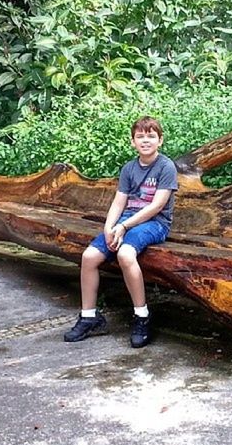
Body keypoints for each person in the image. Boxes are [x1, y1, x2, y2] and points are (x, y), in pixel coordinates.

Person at [64, 116, 178, 348]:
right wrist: (109, 228)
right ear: (133, 141)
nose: (145, 141)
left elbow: (156, 206)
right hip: (126, 220)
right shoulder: (129, 168)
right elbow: (119, 203)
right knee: (89, 257)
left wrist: (123, 227)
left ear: (160, 140)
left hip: (155, 223)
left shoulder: (166, 167)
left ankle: (142, 315)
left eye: (151, 136)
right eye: (140, 136)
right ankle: (89, 317)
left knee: (126, 254)